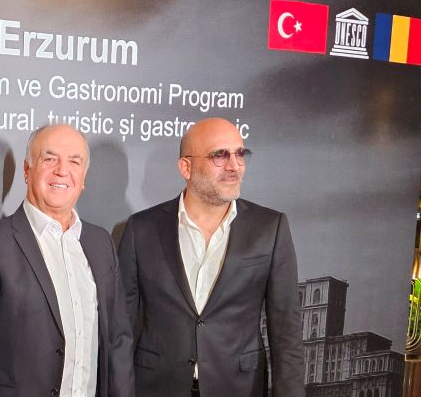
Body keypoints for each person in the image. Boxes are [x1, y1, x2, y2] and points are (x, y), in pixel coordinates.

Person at [118, 118, 304, 397]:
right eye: (220, 155)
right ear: (186, 167)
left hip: (239, 388)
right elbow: (120, 328)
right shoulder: (141, 228)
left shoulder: (270, 227)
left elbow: (286, 329)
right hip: (157, 387)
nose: (234, 166)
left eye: (240, 154)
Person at [0, 124, 134, 397]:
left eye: (74, 161)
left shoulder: (100, 242)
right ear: (27, 171)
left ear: (83, 178)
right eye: (49, 159)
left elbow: (118, 340)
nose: (62, 170)